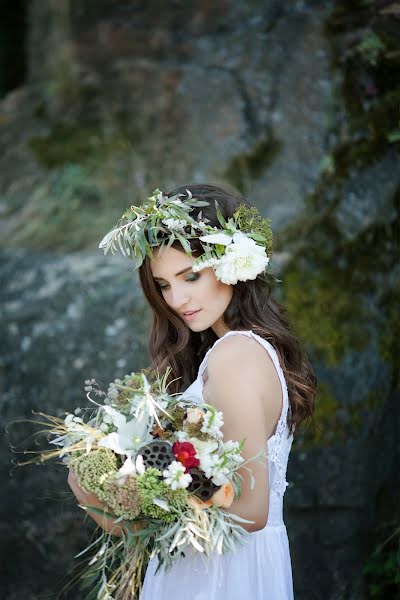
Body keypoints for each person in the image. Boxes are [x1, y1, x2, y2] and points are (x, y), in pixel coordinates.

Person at [69, 183, 317, 599]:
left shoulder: (235, 356)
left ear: (232, 265)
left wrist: (124, 510)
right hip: (222, 565)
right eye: (164, 285)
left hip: (220, 576)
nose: (177, 299)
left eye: (191, 276)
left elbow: (249, 511)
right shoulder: (240, 349)